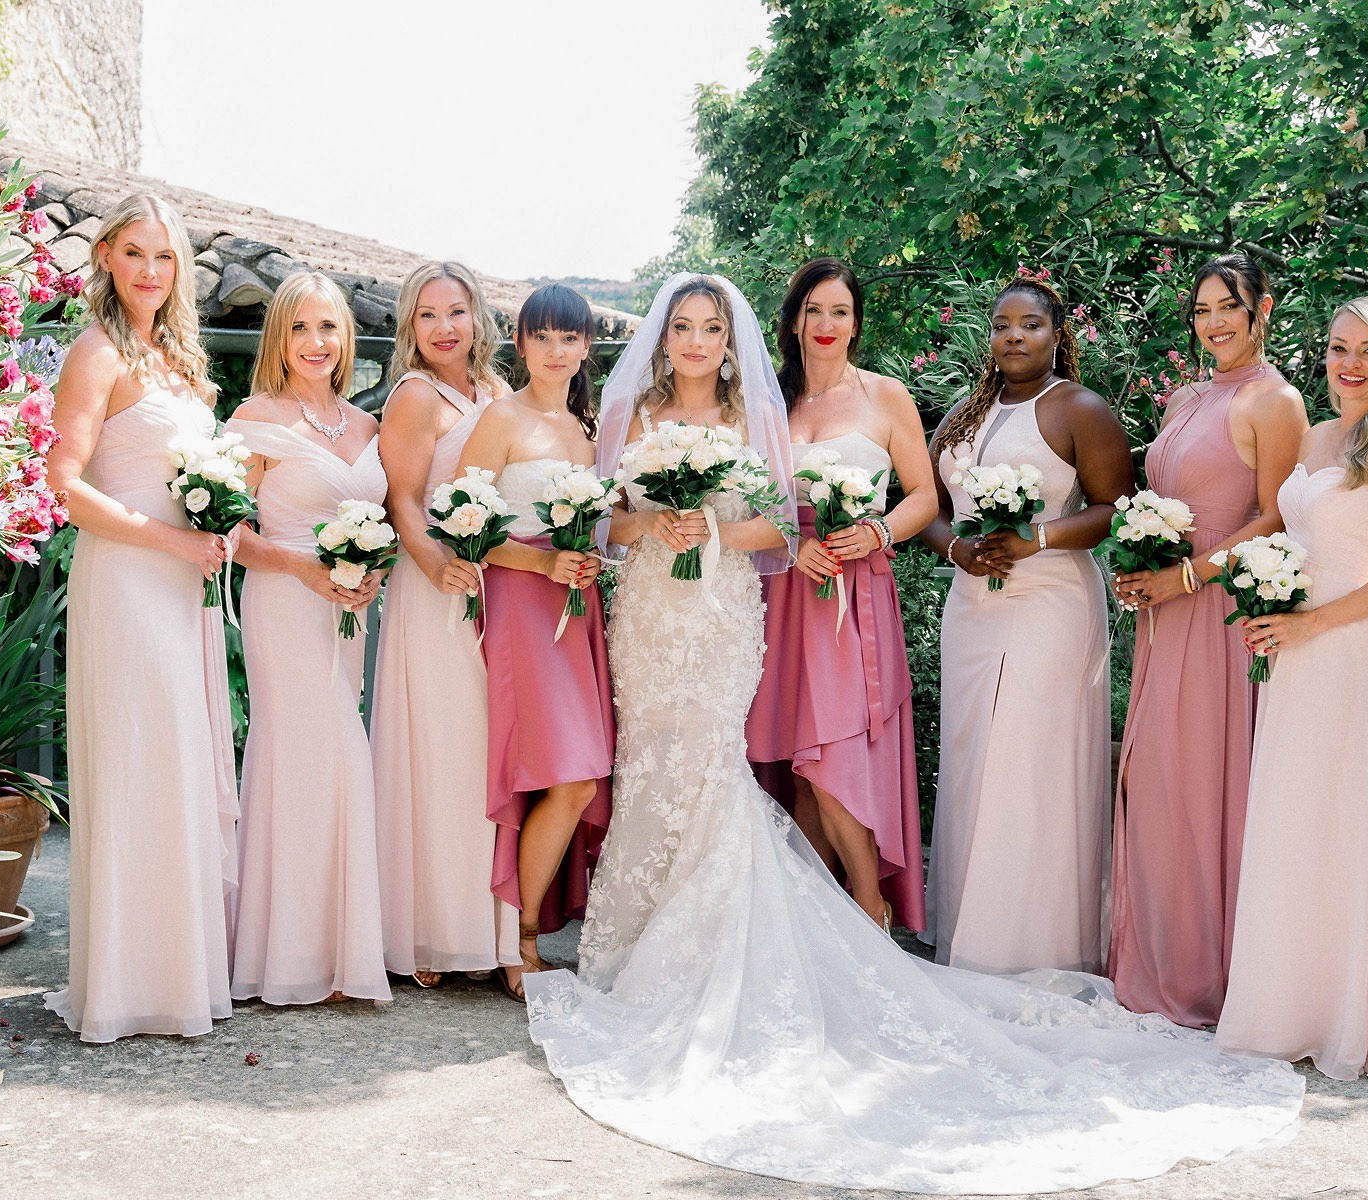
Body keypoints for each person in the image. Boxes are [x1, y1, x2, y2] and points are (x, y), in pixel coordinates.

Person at [523, 273, 1301, 1196]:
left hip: (731, 610)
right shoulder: (634, 410)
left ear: (731, 341)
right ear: (665, 341)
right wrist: (656, 519)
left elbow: (778, 518)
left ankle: (757, 929)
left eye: (709, 326)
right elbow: (607, 524)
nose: (695, 339)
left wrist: (743, 533)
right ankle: (643, 933)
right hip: (654, 610)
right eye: (681, 326)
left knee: (718, 760)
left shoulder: (757, 411)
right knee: (656, 757)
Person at [1216, 295, 1368, 1082]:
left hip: (1345, 650)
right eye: (1339, 347)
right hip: (1290, 650)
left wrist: (1315, 624)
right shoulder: (1314, 436)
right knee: (1290, 817)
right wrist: (1264, 598)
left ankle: (1346, 1009)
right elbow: (1288, 534)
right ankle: (1285, 1005)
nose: (1349, 364)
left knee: (1340, 817)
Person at [43, 192, 239, 1042]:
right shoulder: (96, 352)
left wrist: (215, 523)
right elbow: (65, 486)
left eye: (164, 258)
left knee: (179, 765)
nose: (150, 272)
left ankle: (177, 975)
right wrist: (168, 538)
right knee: (138, 764)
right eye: (135, 254)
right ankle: (126, 989)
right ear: (107, 262)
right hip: (127, 579)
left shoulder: (179, 358)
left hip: (181, 581)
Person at [1106, 254, 1308, 1027]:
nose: (1214, 322)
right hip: (1165, 607)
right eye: (1201, 310)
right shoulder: (1189, 395)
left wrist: (1189, 577)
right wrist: (1142, 558)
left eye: (1229, 307)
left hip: (1219, 611)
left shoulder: (1275, 400)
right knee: (1154, 778)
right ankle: (1153, 957)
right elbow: (1165, 494)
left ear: (1262, 310)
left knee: (1201, 782)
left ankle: (1210, 975)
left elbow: (1275, 518)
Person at [919, 276, 1134, 974]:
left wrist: (1034, 540)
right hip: (972, 605)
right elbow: (926, 505)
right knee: (975, 755)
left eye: (1031, 325)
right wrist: (957, 549)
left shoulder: (1080, 408)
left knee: (1030, 759)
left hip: (1050, 604)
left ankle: (1037, 944)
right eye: (1002, 324)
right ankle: (968, 933)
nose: (1014, 336)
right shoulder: (962, 412)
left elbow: (1116, 507)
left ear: (1057, 334)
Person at [746, 258, 936, 933]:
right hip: (784, 587)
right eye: (814, 310)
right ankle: (815, 923)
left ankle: (869, 906)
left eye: (841, 312)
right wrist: (786, 544)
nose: (827, 325)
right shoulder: (768, 406)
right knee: (797, 763)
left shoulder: (887, 398)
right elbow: (750, 497)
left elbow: (924, 496)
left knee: (833, 755)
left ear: (857, 323)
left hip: (852, 594)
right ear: (794, 319)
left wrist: (878, 531)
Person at [224, 272, 390, 1006]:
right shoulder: (255, 419)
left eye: (328, 327)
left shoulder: (366, 427)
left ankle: (338, 948)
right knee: (297, 749)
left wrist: (370, 574)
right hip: (284, 603)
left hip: (347, 611)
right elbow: (226, 528)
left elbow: (382, 525)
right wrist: (301, 567)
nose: (315, 343)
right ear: (278, 340)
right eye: (299, 329)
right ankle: (283, 955)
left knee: (340, 750)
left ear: (346, 337)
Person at [456, 283, 613, 1000]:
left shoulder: (587, 431)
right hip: (522, 603)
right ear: (520, 343)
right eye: (542, 337)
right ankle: (515, 938)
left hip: (576, 608)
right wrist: (541, 559)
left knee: (579, 778)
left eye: (570, 338)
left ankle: (520, 929)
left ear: (586, 347)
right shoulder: (501, 417)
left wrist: (585, 560)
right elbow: (463, 523)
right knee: (566, 775)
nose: (556, 351)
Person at [370, 262, 517, 991]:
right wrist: (434, 563)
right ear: (411, 326)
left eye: (456, 311)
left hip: (496, 589)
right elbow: (402, 499)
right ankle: (428, 931)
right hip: (435, 591)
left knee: (486, 752)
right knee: (441, 752)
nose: (444, 327)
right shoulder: (414, 395)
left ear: (477, 318)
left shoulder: (494, 394)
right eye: (428, 315)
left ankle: (490, 930)